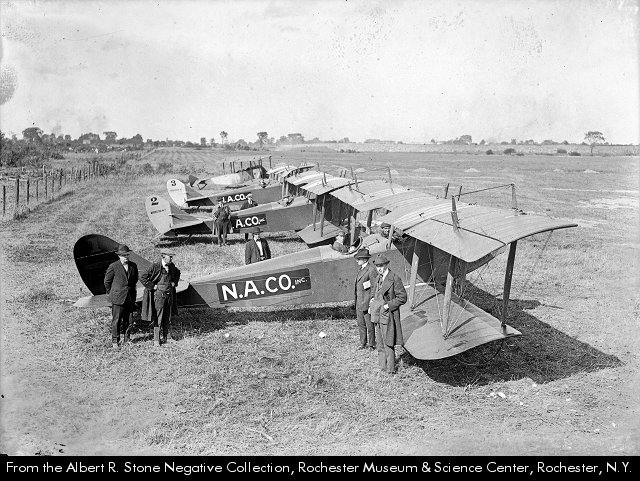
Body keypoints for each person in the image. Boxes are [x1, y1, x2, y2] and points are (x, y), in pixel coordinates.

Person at [370, 254, 407, 374]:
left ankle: (390, 369)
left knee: (388, 343)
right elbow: (375, 292)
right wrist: (372, 300)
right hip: (377, 314)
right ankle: (382, 366)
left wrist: (388, 305)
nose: (379, 268)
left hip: (388, 315)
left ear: (386, 265)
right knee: (380, 343)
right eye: (377, 266)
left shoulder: (394, 278)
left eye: (381, 266)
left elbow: (402, 298)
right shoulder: (378, 278)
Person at [140, 250, 181, 347]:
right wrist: (152, 286)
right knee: (158, 317)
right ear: (163, 256)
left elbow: (178, 273)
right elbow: (142, 277)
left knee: (168, 316)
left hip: (169, 295)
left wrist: (174, 282)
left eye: (172, 257)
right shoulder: (155, 266)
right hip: (159, 296)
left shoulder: (171, 266)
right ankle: (156, 340)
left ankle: (167, 338)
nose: (171, 259)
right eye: (169, 256)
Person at [104, 244, 138, 348]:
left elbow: (135, 280)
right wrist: (113, 293)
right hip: (118, 298)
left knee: (128, 320)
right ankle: (115, 341)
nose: (126, 257)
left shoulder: (133, 266)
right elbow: (107, 281)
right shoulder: (113, 266)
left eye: (127, 255)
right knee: (116, 320)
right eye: (123, 255)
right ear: (119, 256)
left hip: (129, 297)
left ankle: (127, 339)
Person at [353, 248, 377, 351]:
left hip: (366, 302)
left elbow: (374, 287)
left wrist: (372, 301)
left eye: (358, 259)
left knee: (370, 325)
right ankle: (363, 343)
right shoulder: (361, 269)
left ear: (364, 259)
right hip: (359, 302)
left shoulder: (371, 270)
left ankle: (371, 344)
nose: (357, 261)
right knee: (361, 324)